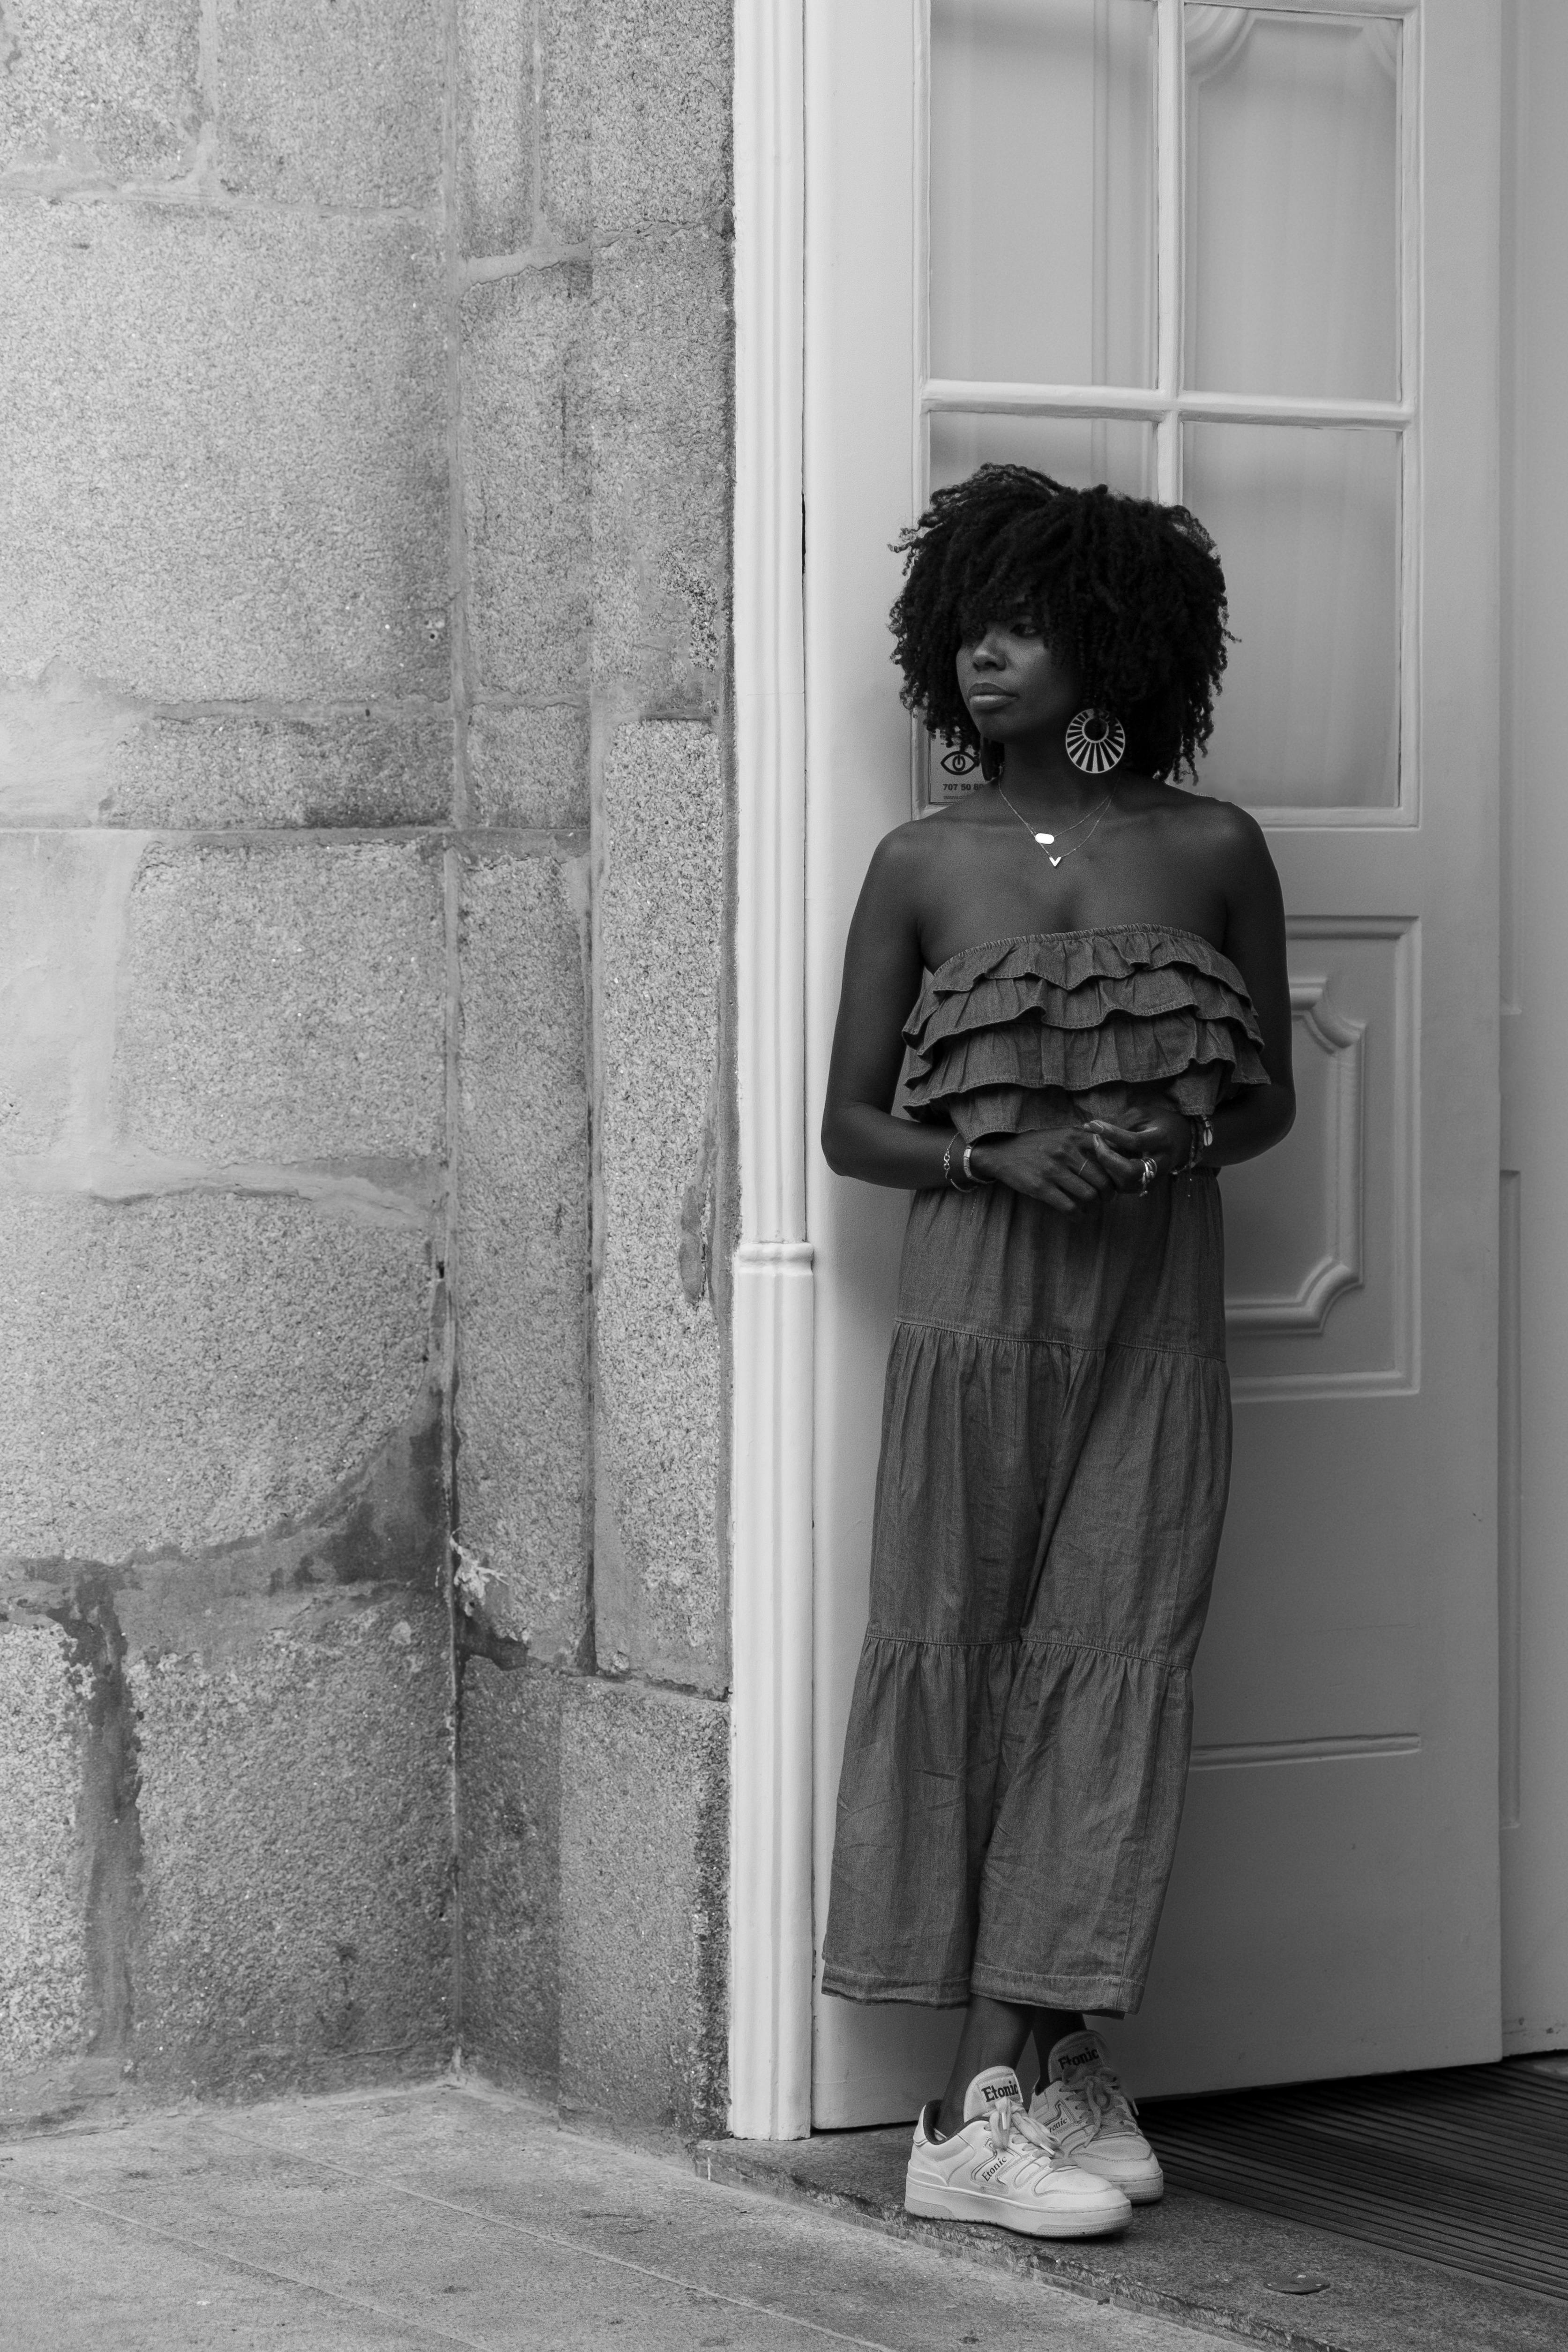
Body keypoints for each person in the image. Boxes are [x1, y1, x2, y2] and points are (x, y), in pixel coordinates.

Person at [818, 465, 1295, 2240]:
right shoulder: (923, 861)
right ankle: (962, 2108)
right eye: (966, 622)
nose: (982, 651)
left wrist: (1173, 1145)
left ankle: (1051, 2052)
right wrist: (986, 1150)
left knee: (1116, 1639)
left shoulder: (1211, 845)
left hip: (1151, 1307)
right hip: (975, 1301)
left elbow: (1263, 1100)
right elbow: (847, 1125)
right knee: (961, 1643)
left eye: (1019, 619)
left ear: (1111, 640)